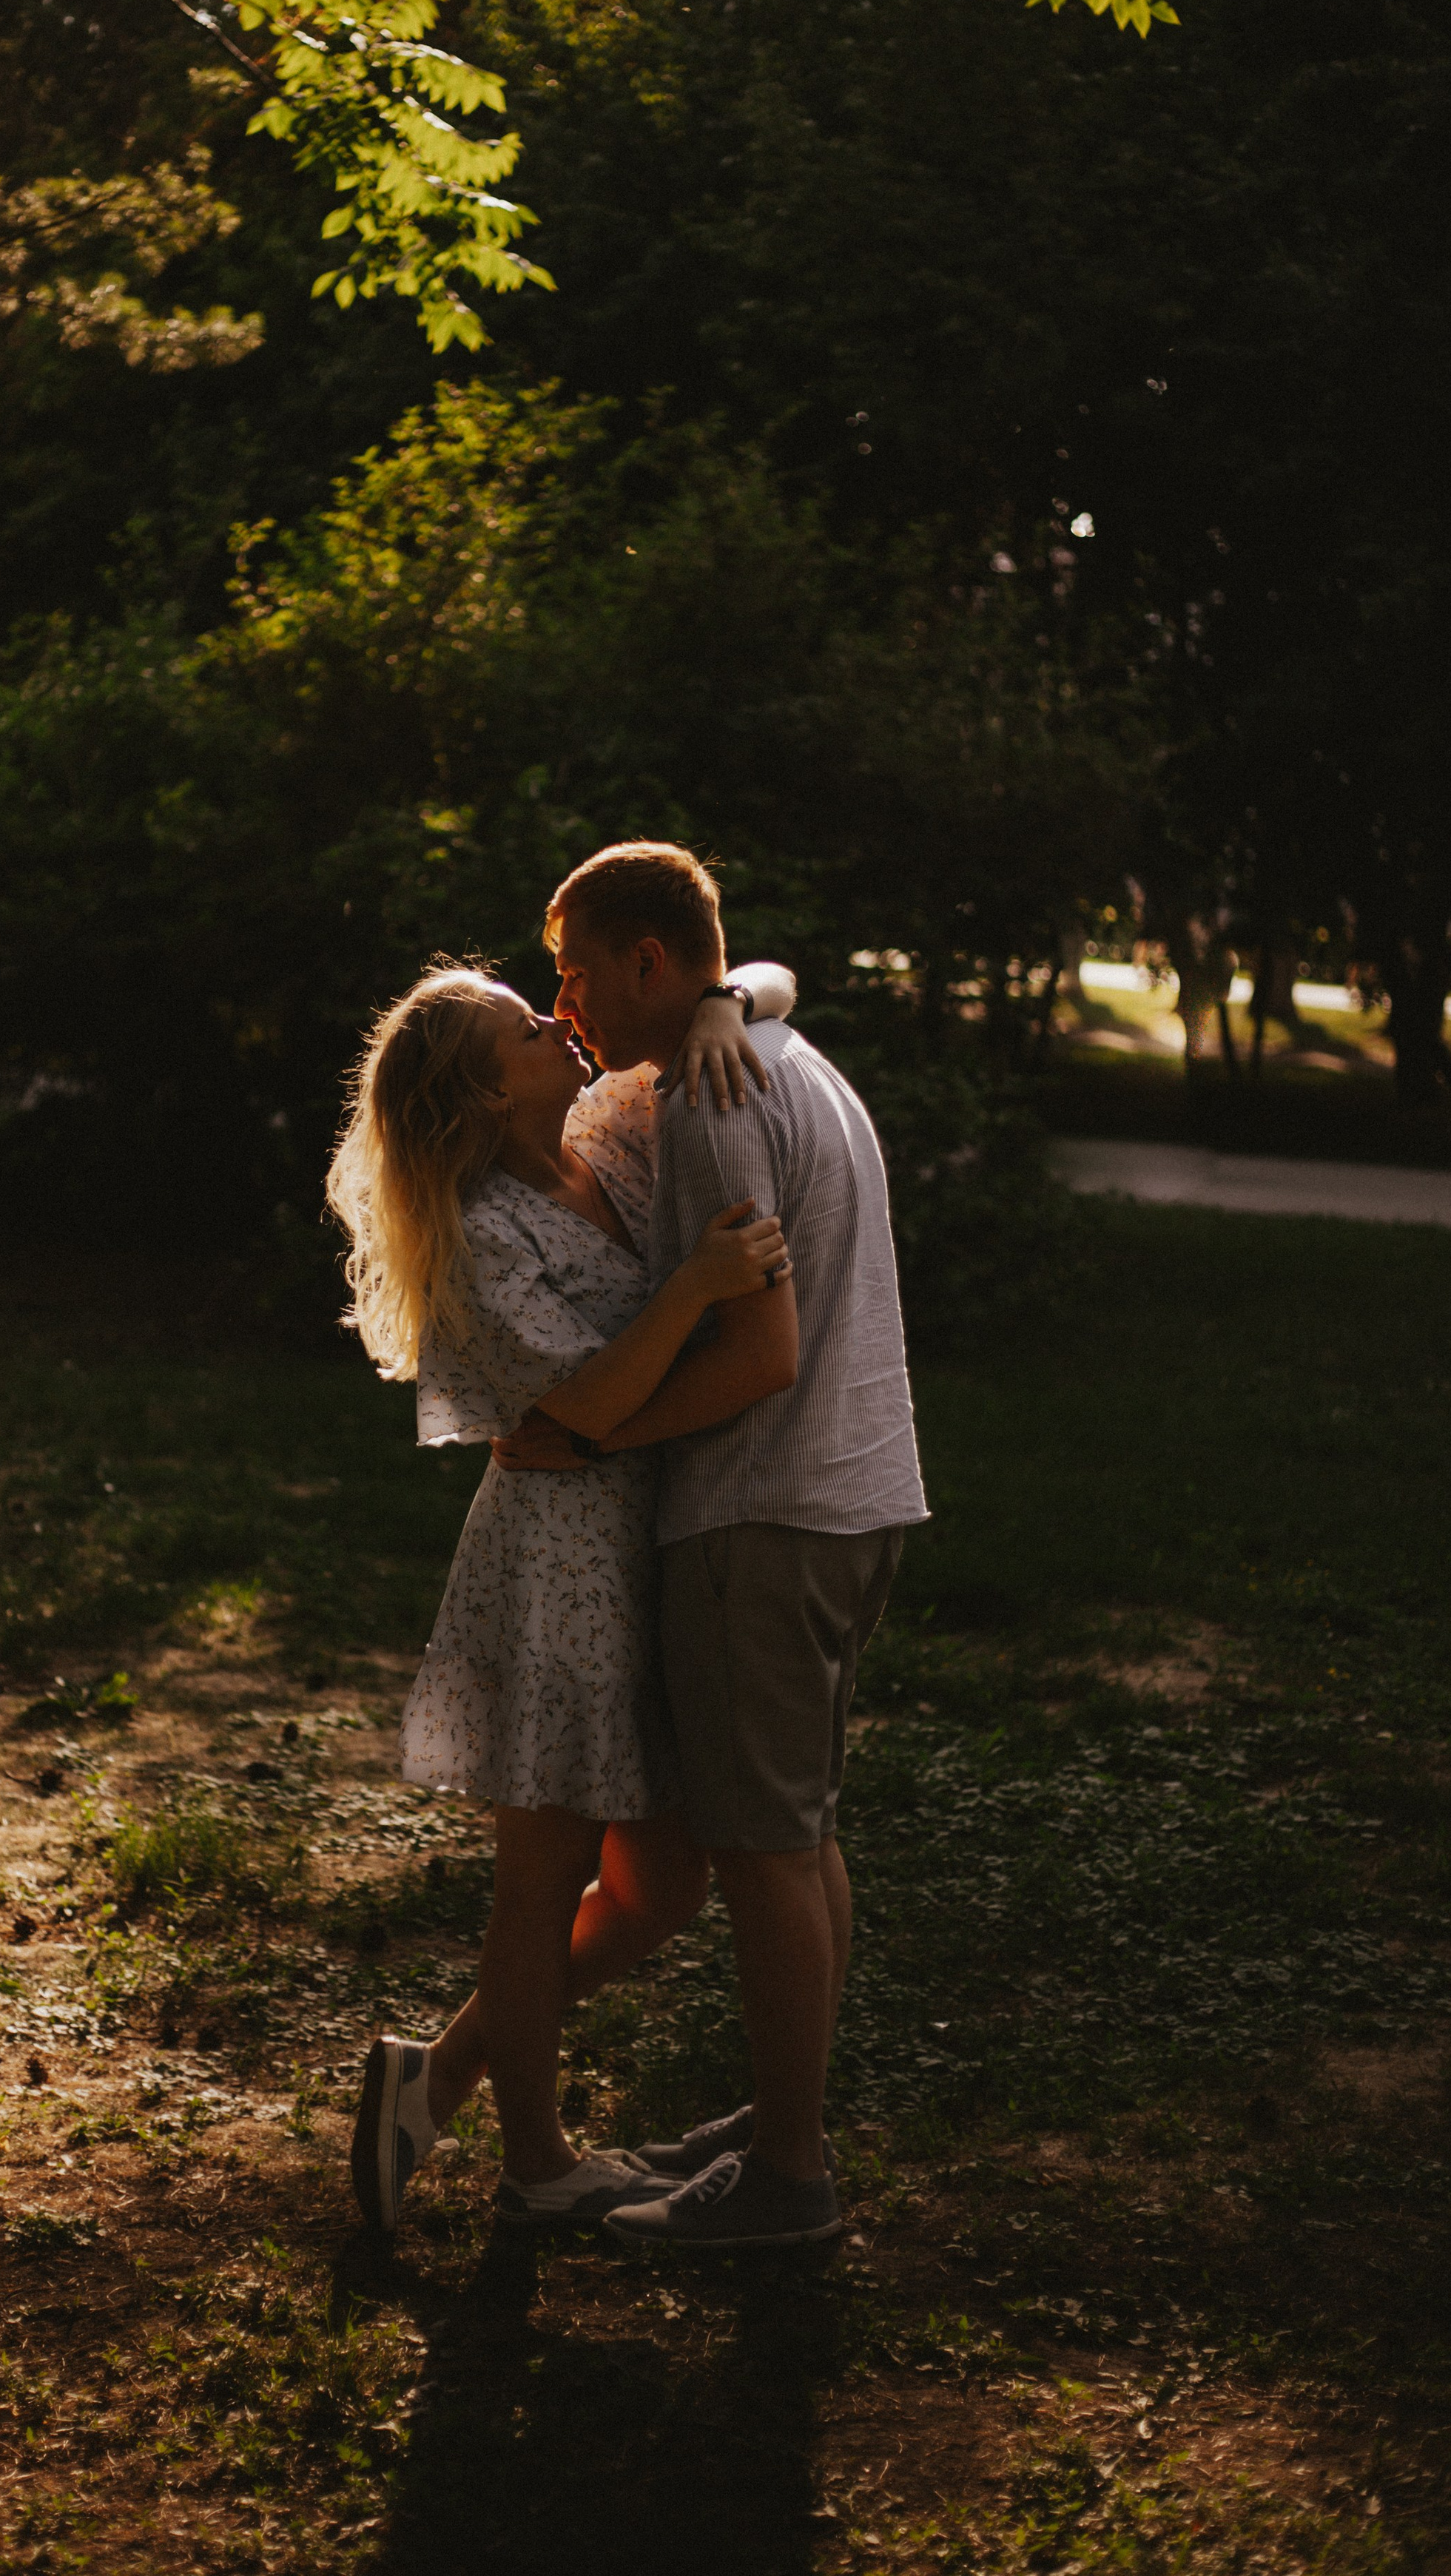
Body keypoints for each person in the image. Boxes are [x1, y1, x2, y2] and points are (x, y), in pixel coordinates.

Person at [493, 842, 928, 2250]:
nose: (564, 1003)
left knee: (760, 1856)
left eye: (575, 971)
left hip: (763, 1516)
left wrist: (600, 1437)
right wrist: (738, 996)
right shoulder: (776, 1047)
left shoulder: (712, 1099)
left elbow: (760, 1356)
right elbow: (756, 981)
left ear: (647, 963)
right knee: (798, 1839)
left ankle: (790, 2181)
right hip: (852, 1500)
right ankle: (780, 2116)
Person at [326, 957, 796, 2229]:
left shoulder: (603, 1138)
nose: (557, 1023)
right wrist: (696, 1287)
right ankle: (534, 2165)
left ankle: (439, 2076)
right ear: (482, 1099)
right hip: (557, 1570)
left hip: (643, 1545)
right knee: (541, 1883)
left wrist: (717, 1005)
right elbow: (586, 1407)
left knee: (662, 1887)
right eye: (525, 1030)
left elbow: (771, 976)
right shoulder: (482, 1230)